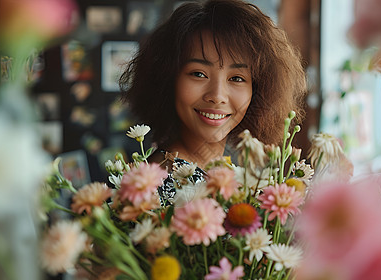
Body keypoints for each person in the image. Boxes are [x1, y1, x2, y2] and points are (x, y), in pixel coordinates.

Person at [120, 0, 307, 204]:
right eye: (199, 74)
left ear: (259, 88)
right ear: (167, 79)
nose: (217, 95)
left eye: (236, 78)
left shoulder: (222, 172)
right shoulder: (161, 188)